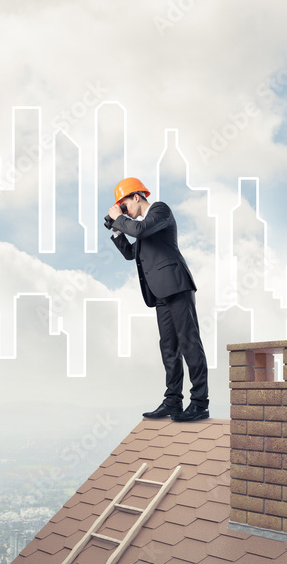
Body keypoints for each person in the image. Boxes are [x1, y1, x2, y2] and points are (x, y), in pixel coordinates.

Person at [104, 177, 209, 422]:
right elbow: (132, 254)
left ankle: (200, 403)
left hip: (177, 285)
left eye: (124, 205)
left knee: (189, 342)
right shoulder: (143, 227)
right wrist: (117, 229)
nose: (124, 210)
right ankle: (173, 401)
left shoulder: (160, 210)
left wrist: (120, 218)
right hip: (159, 292)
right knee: (168, 348)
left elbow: (139, 229)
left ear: (136, 197)